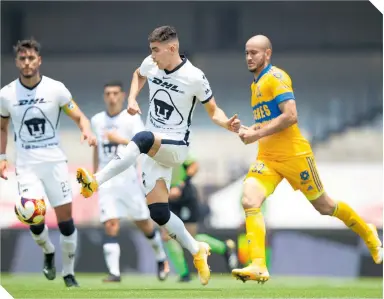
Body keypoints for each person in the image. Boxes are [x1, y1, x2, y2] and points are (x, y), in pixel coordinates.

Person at [76, 25, 240, 286]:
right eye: (150, 50)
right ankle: (197, 250)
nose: (152, 55)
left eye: (156, 50)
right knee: (159, 214)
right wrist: (132, 98)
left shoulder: (195, 77)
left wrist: (227, 125)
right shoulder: (151, 64)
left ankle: (95, 181)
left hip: (175, 146)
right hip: (155, 148)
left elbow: (214, 111)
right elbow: (138, 74)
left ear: (172, 48)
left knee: (141, 138)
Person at [231, 35, 383, 284]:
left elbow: (290, 116)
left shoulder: (276, 78)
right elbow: (268, 122)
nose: (249, 57)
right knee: (249, 199)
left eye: (254, 53)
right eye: (246, 53)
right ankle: (259, 264)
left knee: (324, 206)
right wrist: (246, 129)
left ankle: (369, 234)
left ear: (267, 54)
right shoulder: (255, 85)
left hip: (295, 156)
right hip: (267, 158)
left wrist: (256, 133)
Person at [0, 38, 97, 287]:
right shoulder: (7, 94)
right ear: (17, 62)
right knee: (33, 218)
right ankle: (48, 251)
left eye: (31, 58)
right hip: (26, 166)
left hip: (54, 163)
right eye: (22, 58)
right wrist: (2, 157)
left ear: (39, 60)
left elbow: (78, 115)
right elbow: (2, 127)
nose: (27, 62)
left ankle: (68, 273)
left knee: (66, 222)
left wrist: (86, 129)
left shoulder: (56, 89)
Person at [91, 80, 169, 282]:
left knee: (143, 223)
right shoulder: (97, 120)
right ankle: (114, 273)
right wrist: (94, 177)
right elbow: (96, 150)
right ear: (104, 96)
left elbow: (145, 145)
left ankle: (161, 258)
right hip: (106, 179)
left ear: (123, 95)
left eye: (115, 93)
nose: (112, 97)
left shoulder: (131, 118)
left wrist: (121, 139)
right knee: (110, 223)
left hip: (128, 179)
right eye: (108, 93)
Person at [163, 150, 239, 282]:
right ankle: (184, 274)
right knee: (167, 236)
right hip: (168, 197)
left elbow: (194, 165)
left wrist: (181, 186)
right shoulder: (153, 151)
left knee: (190, 237)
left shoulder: (175, 146)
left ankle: (224, 247)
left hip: (185, 196)